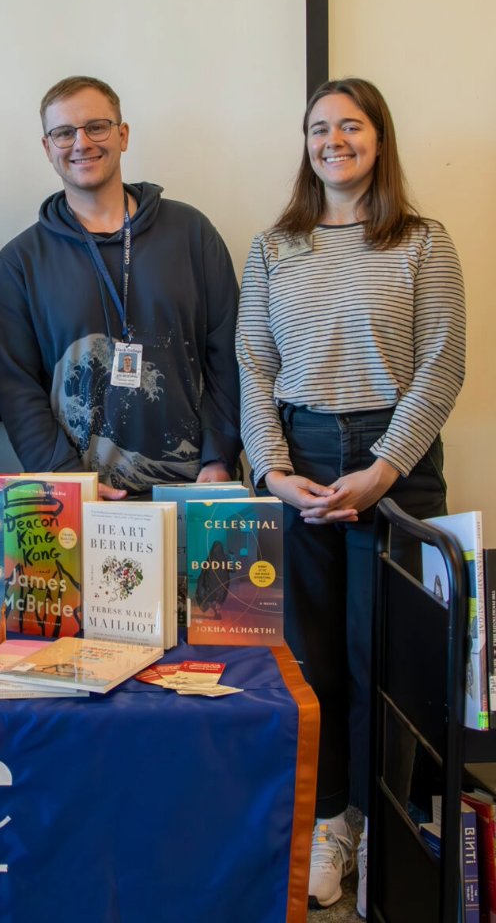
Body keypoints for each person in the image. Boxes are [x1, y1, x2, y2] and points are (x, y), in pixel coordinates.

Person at [236, 78, 465, 914]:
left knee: (394, 661)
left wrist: (384, 469)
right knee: (313, 656)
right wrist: (269, 469)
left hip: (394, 462)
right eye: (318, 128)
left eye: (350, 126)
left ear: (379, 137)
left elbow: (442, 364)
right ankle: (332, 821)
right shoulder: (274, 246)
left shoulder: (422, 242)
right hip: (301, 461)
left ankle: (388, 829)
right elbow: (254, 366)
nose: (333, 140)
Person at [0, 74, 241, 499]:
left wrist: (220, 456)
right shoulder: (20, 262)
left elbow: (229, 352)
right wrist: (68, 479)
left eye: (97, 127)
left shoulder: (191, 233)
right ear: (47, 148)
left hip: (196, 489)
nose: (82, 143)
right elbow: (16, 388)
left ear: (122, 135)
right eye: (64, 133)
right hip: (82, 499)